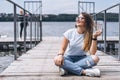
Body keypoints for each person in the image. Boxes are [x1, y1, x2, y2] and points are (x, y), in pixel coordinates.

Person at [54, 12, 102, 77]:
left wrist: (94, 37)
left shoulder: (90, 34)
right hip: (69, 58)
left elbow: (92, 53)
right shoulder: (69, 32)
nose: (78, 19)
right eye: (78, 18)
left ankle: (67, 69)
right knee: (56, 59)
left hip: (82, 58)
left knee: (95, 58)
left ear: (86, 22)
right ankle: (84, 71)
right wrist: (60, 55)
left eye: (82, 18)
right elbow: (62, 49)